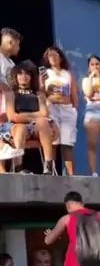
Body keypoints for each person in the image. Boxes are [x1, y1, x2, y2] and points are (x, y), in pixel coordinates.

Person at [1, 61, 57, 174]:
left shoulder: (39, 94)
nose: (24, 76)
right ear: (15, 77)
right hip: (15, 127)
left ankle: (49, 165)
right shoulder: (11, 93)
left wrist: (23, 116)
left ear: (31, 77)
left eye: (27, 74)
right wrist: (36, 115)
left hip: (34, 127)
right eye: (20, 74)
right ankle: (18, 167)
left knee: (43, 123)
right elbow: (12, 116)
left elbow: (45, 114)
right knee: (21, 128)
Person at [41, 46, 79, 176]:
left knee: (67, 144)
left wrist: (75, 109)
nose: (52, 57)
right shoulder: (45, 73)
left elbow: (74, 94)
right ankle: (52, 172)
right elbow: (41, 92)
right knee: (53, 142)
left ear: (61, 58)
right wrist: (41, 83)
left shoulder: (68, 74)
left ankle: (71, 175)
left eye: (55, 54)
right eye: (50, 55)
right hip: (52, 109)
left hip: (67, 110)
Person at [0, 28, 23, 170]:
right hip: (2, 104)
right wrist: (8, 90)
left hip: (10, 106)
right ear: (10, 42)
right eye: (18, 44)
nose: (19, 48)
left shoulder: (11, 64)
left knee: (11, 132)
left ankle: (15, 168)